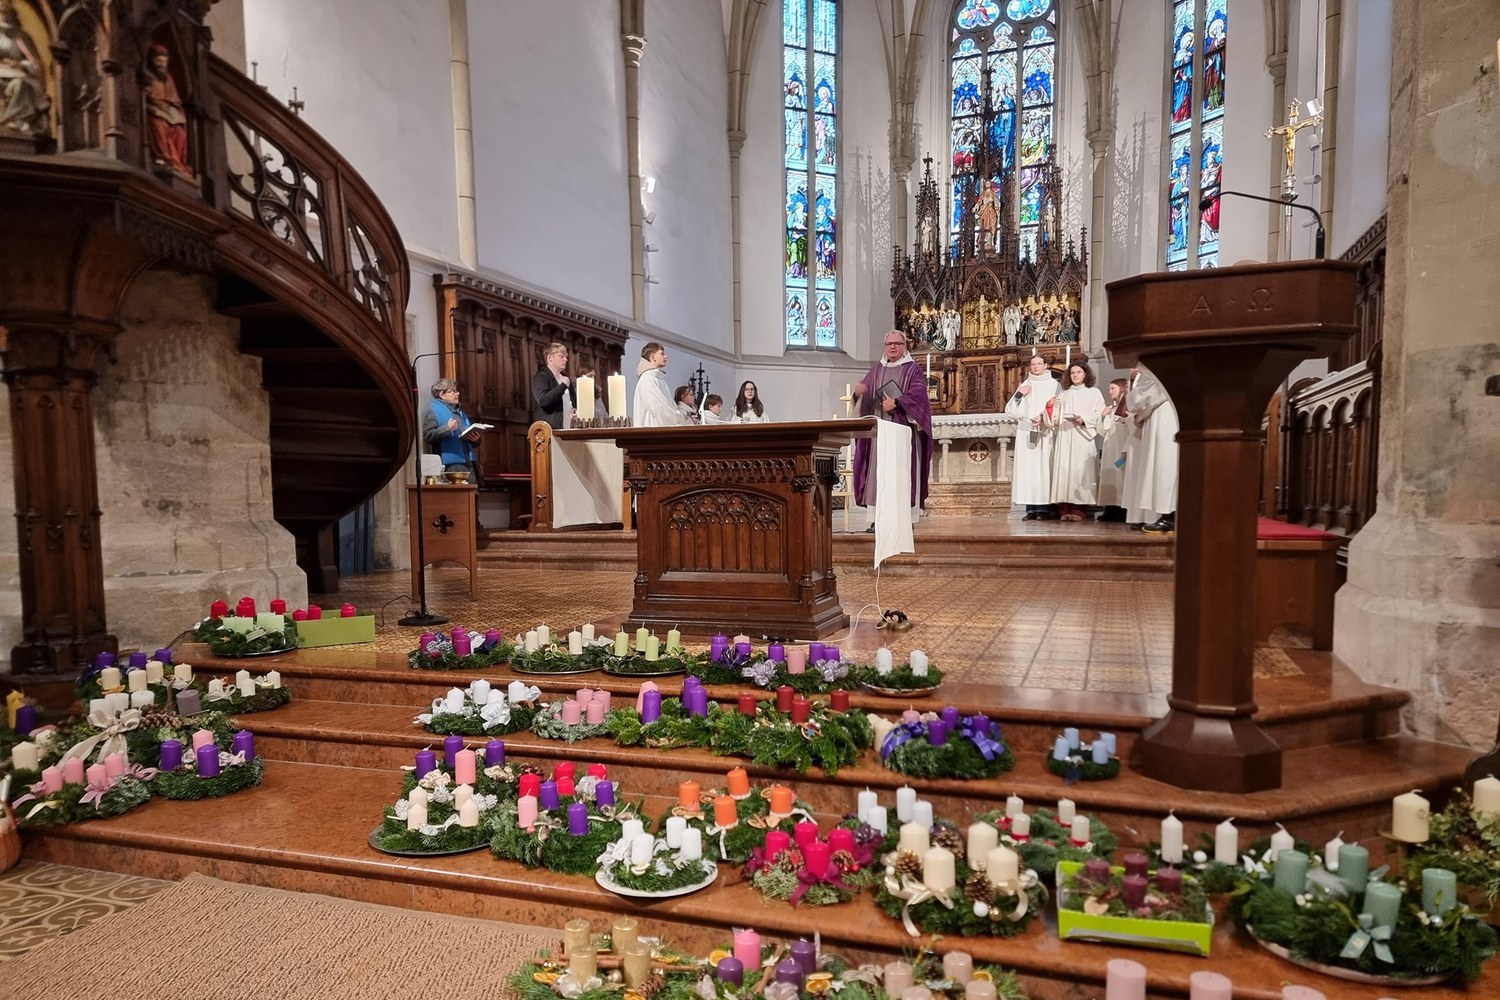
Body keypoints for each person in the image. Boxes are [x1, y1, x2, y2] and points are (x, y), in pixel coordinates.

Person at [850, 331, 934, 526]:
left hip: (902, 433)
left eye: (897, 343)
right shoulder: (876, 370)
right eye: (889, 344)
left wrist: (897, 402)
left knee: (900, 474)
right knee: (878, 474)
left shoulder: (912, 369)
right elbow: (865, 396)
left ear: (905, 346)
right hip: (879, 435)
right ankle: (877, 520)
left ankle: (904, 519)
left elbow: (919, 396)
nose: (893, 347)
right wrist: (859, 394)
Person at [1122, 363, 1179, 533]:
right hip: (1165, 411)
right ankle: (1166, 514)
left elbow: (1139, 399)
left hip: (1163, 414)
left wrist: (1137, 413)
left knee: (1163, 463)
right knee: (1164, 463)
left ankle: (1169, 514)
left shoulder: (1155, 364)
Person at [1005, 353, 1059, 520]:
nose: (1035, 366)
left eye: (1039, 363)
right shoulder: (1025, 384)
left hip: (1045, 429)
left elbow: (1058, 407)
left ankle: (1044, 508)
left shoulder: (1054, 384)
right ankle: (1030, 509)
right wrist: (1019, 394)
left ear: (1045, 366)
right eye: (1033, 364)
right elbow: (1011, 411)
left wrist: (1043, 418)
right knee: (1027, 470)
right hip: (1026, 429)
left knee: (1043, 468)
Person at [1049, 361, 1106, 521]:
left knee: (1081, 471)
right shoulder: (1064, 393)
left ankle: (1079, 509)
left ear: (1086, 374)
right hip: (1065, 436)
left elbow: (1101, 414)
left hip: (1083, 436)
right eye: (1072, 373)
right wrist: (1054, 411)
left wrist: (1083, 419)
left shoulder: (1094, 393)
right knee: (1064, 471)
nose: (1075, 375)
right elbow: (1055, 416)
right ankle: (1064, 509)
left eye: (1078, 372)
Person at [0, 0, 50, 137]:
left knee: (21, 85)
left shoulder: (19, 37)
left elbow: (34, 63)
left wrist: (19, 64)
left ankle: (12, 119)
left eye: (5, 14)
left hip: (17, 75)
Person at [144, 44, 194, 178]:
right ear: (151, 60)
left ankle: (176, 160)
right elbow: (145, 93)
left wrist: (175, 107)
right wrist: (155, 102)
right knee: (159, 125)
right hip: (152, 109)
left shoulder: (168, 78)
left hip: (167, 110)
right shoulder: (147, 75)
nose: (162, 64)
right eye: (158, 61)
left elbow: (174, 98)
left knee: (180, 131)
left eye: (164, 61)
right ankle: (162, 157)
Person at [423, 378, 482, 480]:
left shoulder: (460, 412)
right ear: (442, 394)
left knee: (471, 490)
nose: (458, 393)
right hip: (450, 464)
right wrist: (447, 428)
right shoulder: (433, 410)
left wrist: (476, 440)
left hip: (469, 461)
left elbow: (469, 439)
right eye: (453, 391)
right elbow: (428, 435)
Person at [1095, 377, 1130, 522]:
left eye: (1112, 388)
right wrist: (1103, 417)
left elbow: (1131, 429)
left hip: (1122, 447)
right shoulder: (1111, 409)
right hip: (1110, 448)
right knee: (1109, 477)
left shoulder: (1127, 407)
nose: (1109, 392)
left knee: (1121, 477)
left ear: (1122, 389)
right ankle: (1110, 509)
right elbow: (1103, 431)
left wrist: (1127, 447)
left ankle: (1123, 510)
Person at [632, 341, 681, 426]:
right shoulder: (647, 379)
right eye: (662, 354)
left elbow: (670, 406)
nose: (666, 356)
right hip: (652, 429)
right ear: (653, 357)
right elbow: (659, 408)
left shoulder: (659, 379)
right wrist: (680, 420)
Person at [530, 342, 576, 429]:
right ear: (550, 358)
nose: (566, 360)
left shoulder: (566, 378)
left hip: (567, 426)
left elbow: (573, 403)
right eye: (561, 356)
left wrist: (575, 412)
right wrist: (563, 386)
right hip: (549, 428)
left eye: (566, 357)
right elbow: (543, 401)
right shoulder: (541, 376)